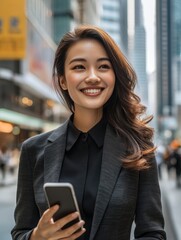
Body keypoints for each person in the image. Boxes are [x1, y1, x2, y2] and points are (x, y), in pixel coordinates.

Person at [11, 25, 166, 240]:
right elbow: (20, 232)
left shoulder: (139, 148)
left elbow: (153, 233)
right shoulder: (33, 150)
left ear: (114, 76)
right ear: (63, 80)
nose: (92, 77)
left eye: (103, 66)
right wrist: (37, 236)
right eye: (79, 67)